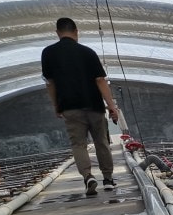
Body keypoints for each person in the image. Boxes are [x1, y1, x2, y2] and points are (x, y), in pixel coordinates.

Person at [41, 17, 120, 196]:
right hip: (94, 105)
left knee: (78, 144)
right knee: (102, 142)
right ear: (76, 32)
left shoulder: (48, 53)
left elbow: (50, 83)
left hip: (69, 107)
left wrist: (56, 105)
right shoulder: (87, 52)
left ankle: (88, 177)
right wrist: (112, 106)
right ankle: (108, 179)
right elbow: (100, 80)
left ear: (57, 33)